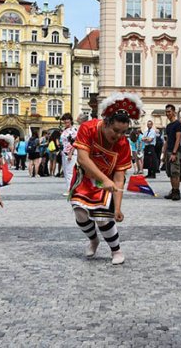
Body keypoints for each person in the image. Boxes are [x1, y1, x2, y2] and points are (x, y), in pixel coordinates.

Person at [69, 92, 142, 265]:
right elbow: (82, 159)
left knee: (104, 217)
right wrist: (105, 179)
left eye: (123, 132)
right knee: (80, 213)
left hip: (106, 181)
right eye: (116, 131)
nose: (118, 136)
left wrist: (117, 208)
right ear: (106, 122)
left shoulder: (123, 145)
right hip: (85, 176)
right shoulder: (88, 128)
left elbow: (118, 179)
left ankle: (116, 251)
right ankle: (93, 240)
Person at [162, 104, 181, 201]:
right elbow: (167, 139)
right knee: (170, 173)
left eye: (169, 111)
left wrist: (174, 153)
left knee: (175, 173)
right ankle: (173, 190)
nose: (167, 113)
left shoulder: (177, 124)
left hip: (175, 152)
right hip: (168, 151)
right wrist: (164, 152)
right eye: (166, 112)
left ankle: (177, 192)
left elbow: (178, 138)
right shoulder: (169, 125)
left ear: (174, 112)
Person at [60, 113, 78, 196]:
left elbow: (75, 142)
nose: (66, 121)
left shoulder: (73, 130)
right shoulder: (64, 130)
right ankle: (69, 188)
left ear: (71, 120)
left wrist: (71, 153)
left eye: (67, 119)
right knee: (66, 172)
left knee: (70, 172)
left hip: (71, 153)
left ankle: (70, 190)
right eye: (64, 119)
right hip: (64, 152)